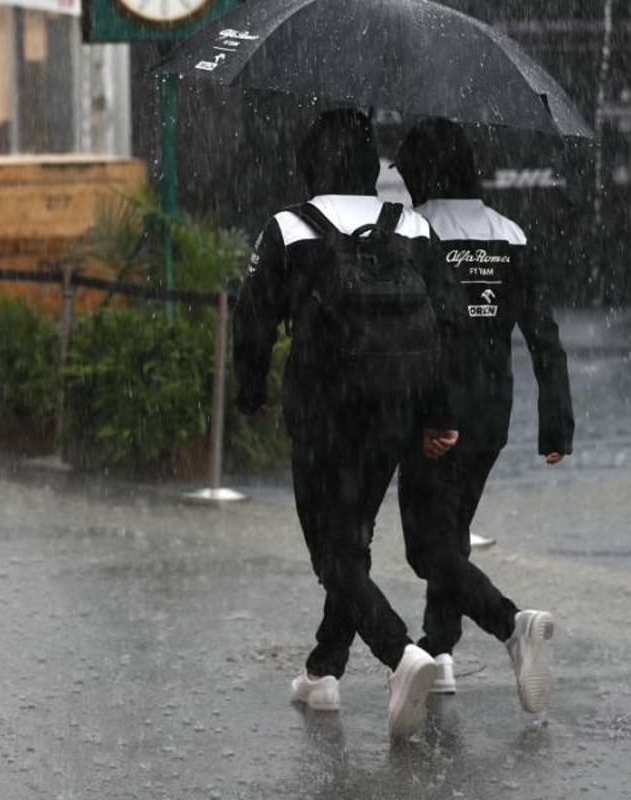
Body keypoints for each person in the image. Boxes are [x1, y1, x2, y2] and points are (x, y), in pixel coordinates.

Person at [233, 108, 461, 741]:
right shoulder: (411, 225)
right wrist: (438, 413)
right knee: (352, 538)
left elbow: (253, 319)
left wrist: (249, 391)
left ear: (309, 162)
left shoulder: (287, 227)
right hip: (394, 407)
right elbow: (443, 324)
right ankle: (323, 671)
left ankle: (399, 654)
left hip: (320, 409)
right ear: (370, 166)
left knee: (331, 550)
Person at [394, 119, 573, 712]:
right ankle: (440, 651)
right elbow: (543, 337)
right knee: (451, 535)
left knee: (427, 548)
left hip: (432, 412)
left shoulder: (417, 231)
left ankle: (510, 625)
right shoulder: (510, 233)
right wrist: (556, 425)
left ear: (422, 172)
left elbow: (411, 325)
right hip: (492, 413)